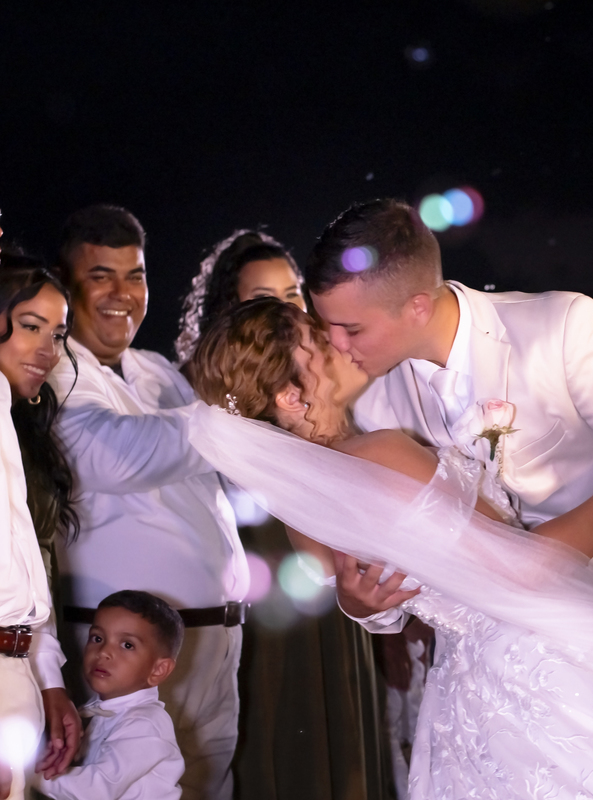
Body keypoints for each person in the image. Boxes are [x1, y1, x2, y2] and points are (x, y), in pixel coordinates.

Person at [185, 297, 593, 799]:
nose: (335, 342)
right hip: (545, 665)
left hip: (467, 686)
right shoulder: (379, 455)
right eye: (316, 343)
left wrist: (363, 607)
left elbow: (386, 594)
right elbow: (525, 571)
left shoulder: (301, 509)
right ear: (292, 398)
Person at [303, 199, 593, 674]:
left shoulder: (561, 327)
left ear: (417, 307)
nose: (336, 345)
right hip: (492, 665)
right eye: (327, 325)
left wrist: (559, 566)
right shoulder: (372, 407)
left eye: (351, 328)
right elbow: (397, 557)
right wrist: (366, 605)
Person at [175, 228, 391, 800]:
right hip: (277, 607)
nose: (283, 309)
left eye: (292, 294)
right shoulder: (233, 443)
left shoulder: (337, 392)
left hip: (348, 613)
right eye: (259, 299)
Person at [47, 205, 248, 800]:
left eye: (134, 275)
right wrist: (232, 420)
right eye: (100, 275)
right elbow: (118, 455)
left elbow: (224, 467)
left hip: (217, 638)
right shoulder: (53, 371)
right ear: (65, 283)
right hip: (131, 663)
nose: (121, 293)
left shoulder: (157, 370)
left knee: (212, 784)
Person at [0, 255, 81, 798]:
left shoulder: (17, 421)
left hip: (19, 669)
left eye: (57, 334)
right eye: (30, 326)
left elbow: (30, 571)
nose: (48, 351)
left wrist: (47, 676)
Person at [33, 590, 185, 800]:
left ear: (158, 670)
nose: (103, 651)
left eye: (127, 645)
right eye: (97, 638)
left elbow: (94, 791)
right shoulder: (96, 709)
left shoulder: (145, 724)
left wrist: (24, 772)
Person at [174, 229, 306, 364]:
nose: (284, 308)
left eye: (291, 294)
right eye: (264, 297)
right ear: (229, 306)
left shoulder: (322, 368)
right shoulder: (206, 379)